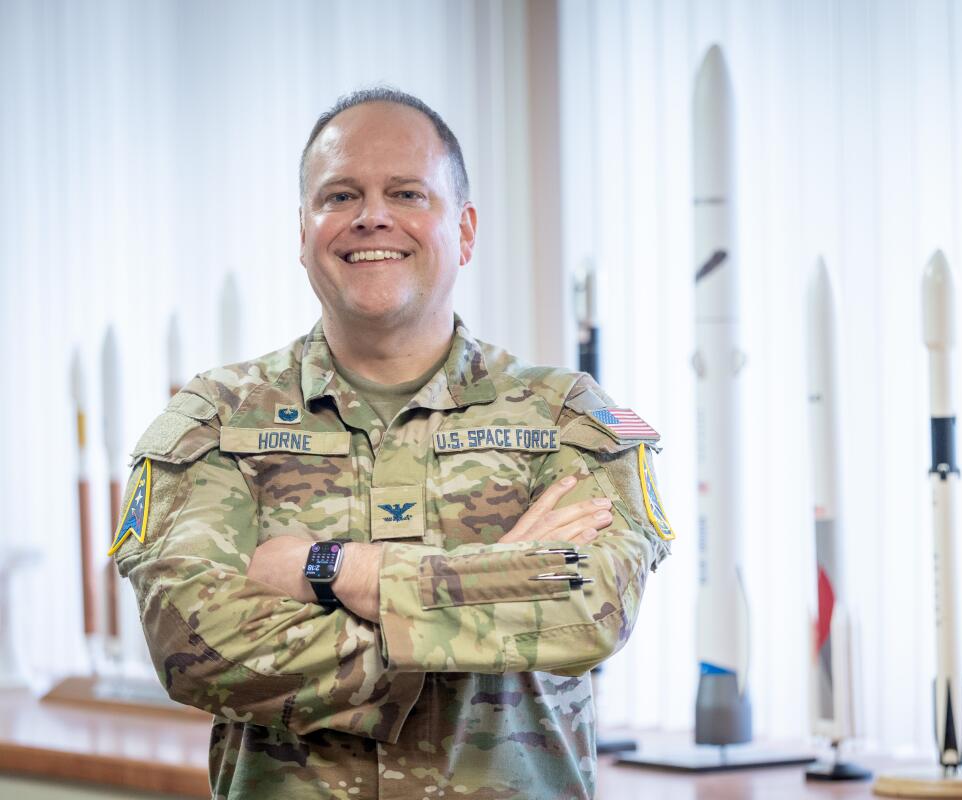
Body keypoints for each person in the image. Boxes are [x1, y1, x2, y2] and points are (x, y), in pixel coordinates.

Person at [110, 88, 673, 799]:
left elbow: (589, 610)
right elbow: (193, 644)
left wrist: (332, 570)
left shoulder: (566, 418)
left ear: (465, 231)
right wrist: (495, 581)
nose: (370, 215)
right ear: (304, 230)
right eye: (340, 195)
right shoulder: (215, 420)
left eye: (406, 192)